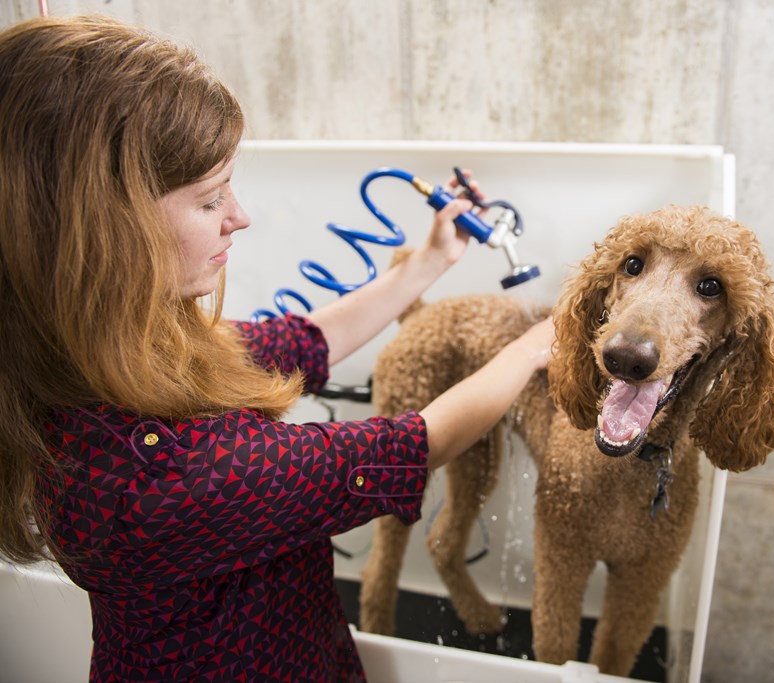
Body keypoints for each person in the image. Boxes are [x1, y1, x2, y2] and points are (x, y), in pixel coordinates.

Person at [0, 14, 553, 682]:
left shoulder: (126, 359)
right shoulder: (162, 478)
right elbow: (415, 443)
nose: (240, 214)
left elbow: (300, 344)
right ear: (106, 231)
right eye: (210, 199)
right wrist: (540, 342)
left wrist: (426, 263)